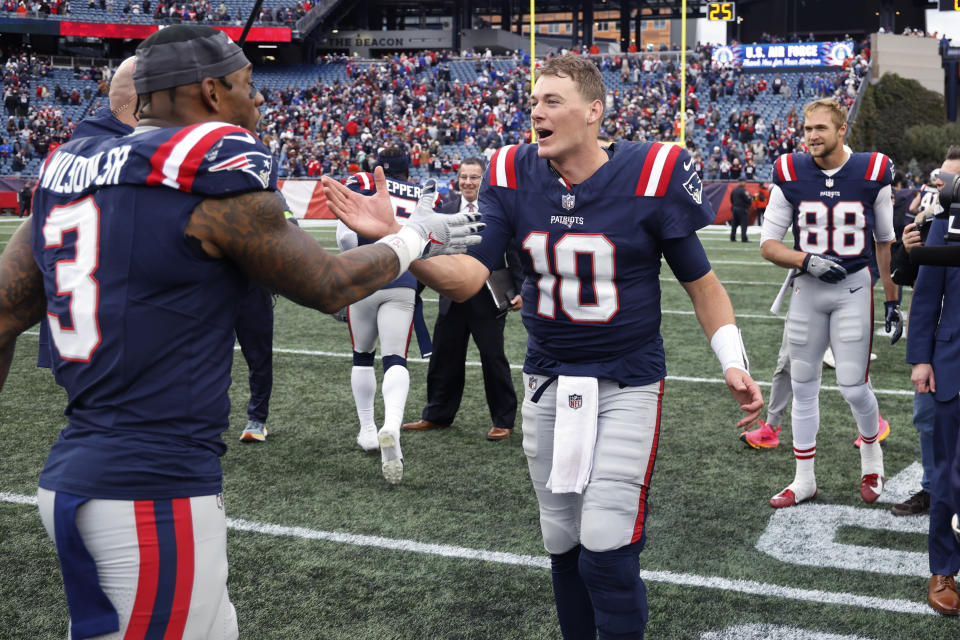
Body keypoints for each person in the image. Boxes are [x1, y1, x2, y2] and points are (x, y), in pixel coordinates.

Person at [0, 25, 480, 638]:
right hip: (151, 488)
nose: (258, 102)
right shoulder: (207, 174)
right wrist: (414, 235)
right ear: (210, 91)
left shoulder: (69, 174)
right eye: (249, 86)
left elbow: (5, 314)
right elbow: (328, 284)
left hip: (79, 469)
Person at [323, 54, 763, 640]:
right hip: (549, 376)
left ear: (593, 113)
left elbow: (703, 286)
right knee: (561, 536)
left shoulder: (653, 172)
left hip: (627, 379)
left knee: (606, 539)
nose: (536, 111)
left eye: (552, 101)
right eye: (534, 101)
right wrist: (401, 244)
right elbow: (468, 278)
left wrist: (732, 361)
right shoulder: (510, 172)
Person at [759, 98, 900, 509]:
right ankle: (804, 479)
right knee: (804, 386)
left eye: (821, 129)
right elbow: (768, 245)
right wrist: (807, 260)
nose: (812, 137)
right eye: (807, 130)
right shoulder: (790, 171)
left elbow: (885, 242)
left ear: (842, 131)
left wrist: (892, 299)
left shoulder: (873, 170)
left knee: (853, 385)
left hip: (854, 288)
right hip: (808, 287)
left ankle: (872, 458)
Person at [402, 156, 524, 441]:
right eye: (463, 177)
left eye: (474, 177)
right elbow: (427, 254)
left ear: (484, 180)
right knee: (445, 356)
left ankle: (503, 420)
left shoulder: (497, 211)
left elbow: (515, 253)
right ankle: (437, 415)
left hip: (488, 298)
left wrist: (520, 289)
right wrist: (411, 291)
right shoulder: (443, 210)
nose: (468, 182)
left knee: (493, 359)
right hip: (450, 297)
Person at [335, 146, 427, 483]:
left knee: (362, 356)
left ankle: (368, 430)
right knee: (395, 360)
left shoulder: (361, 181)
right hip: (402, 278)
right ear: (407, 169)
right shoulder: (422, 193)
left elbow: (345, 235)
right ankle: (391, 424)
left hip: (363, 277)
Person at [903, 145, 960, 615]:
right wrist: (921, 358)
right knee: (946, 476)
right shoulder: (947, 218)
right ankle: (943, 568)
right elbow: (925, 295)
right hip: (952, 362)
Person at [729, 177, 752, 242]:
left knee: (734, 224)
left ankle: (732, 238)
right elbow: (749, 199)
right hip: (742, 209)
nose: (745, 183)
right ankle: (743, 238)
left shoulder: (734, 190)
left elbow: (731, 199)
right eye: (745, 181)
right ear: (742, 182)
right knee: (744, 224)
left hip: (734, 208)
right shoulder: (743, 190)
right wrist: (753, 198)